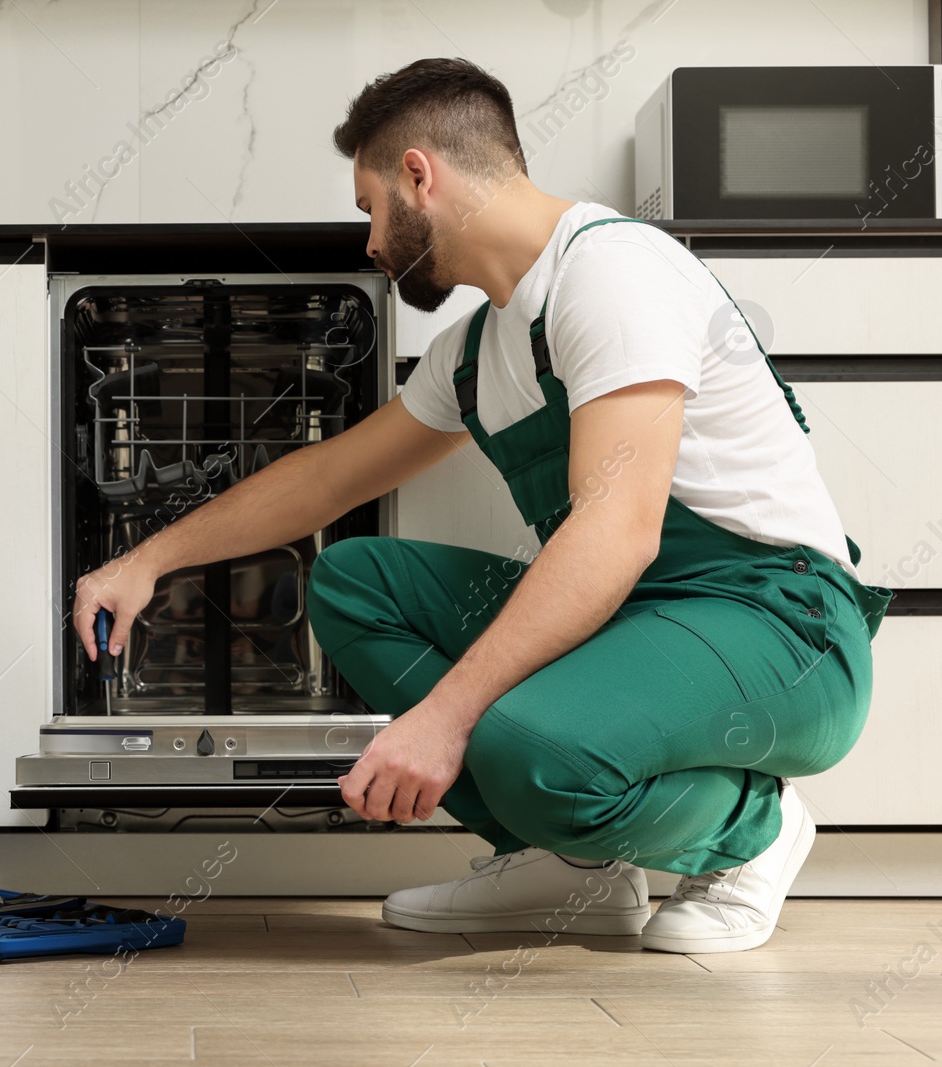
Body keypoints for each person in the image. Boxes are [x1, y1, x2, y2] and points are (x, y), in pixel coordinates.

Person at [72, 57, 892, 954]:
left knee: (530, 745)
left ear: (419, 175)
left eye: (371, 208)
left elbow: (617, 535)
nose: (370, 243)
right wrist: (143, 560)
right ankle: (563, 858)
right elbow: (325, 480)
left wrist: (445, 715)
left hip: (781, 625)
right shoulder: (473, 351)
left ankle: (753, 835)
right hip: (639, 622)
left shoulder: (612, 274)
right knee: (355, 580)